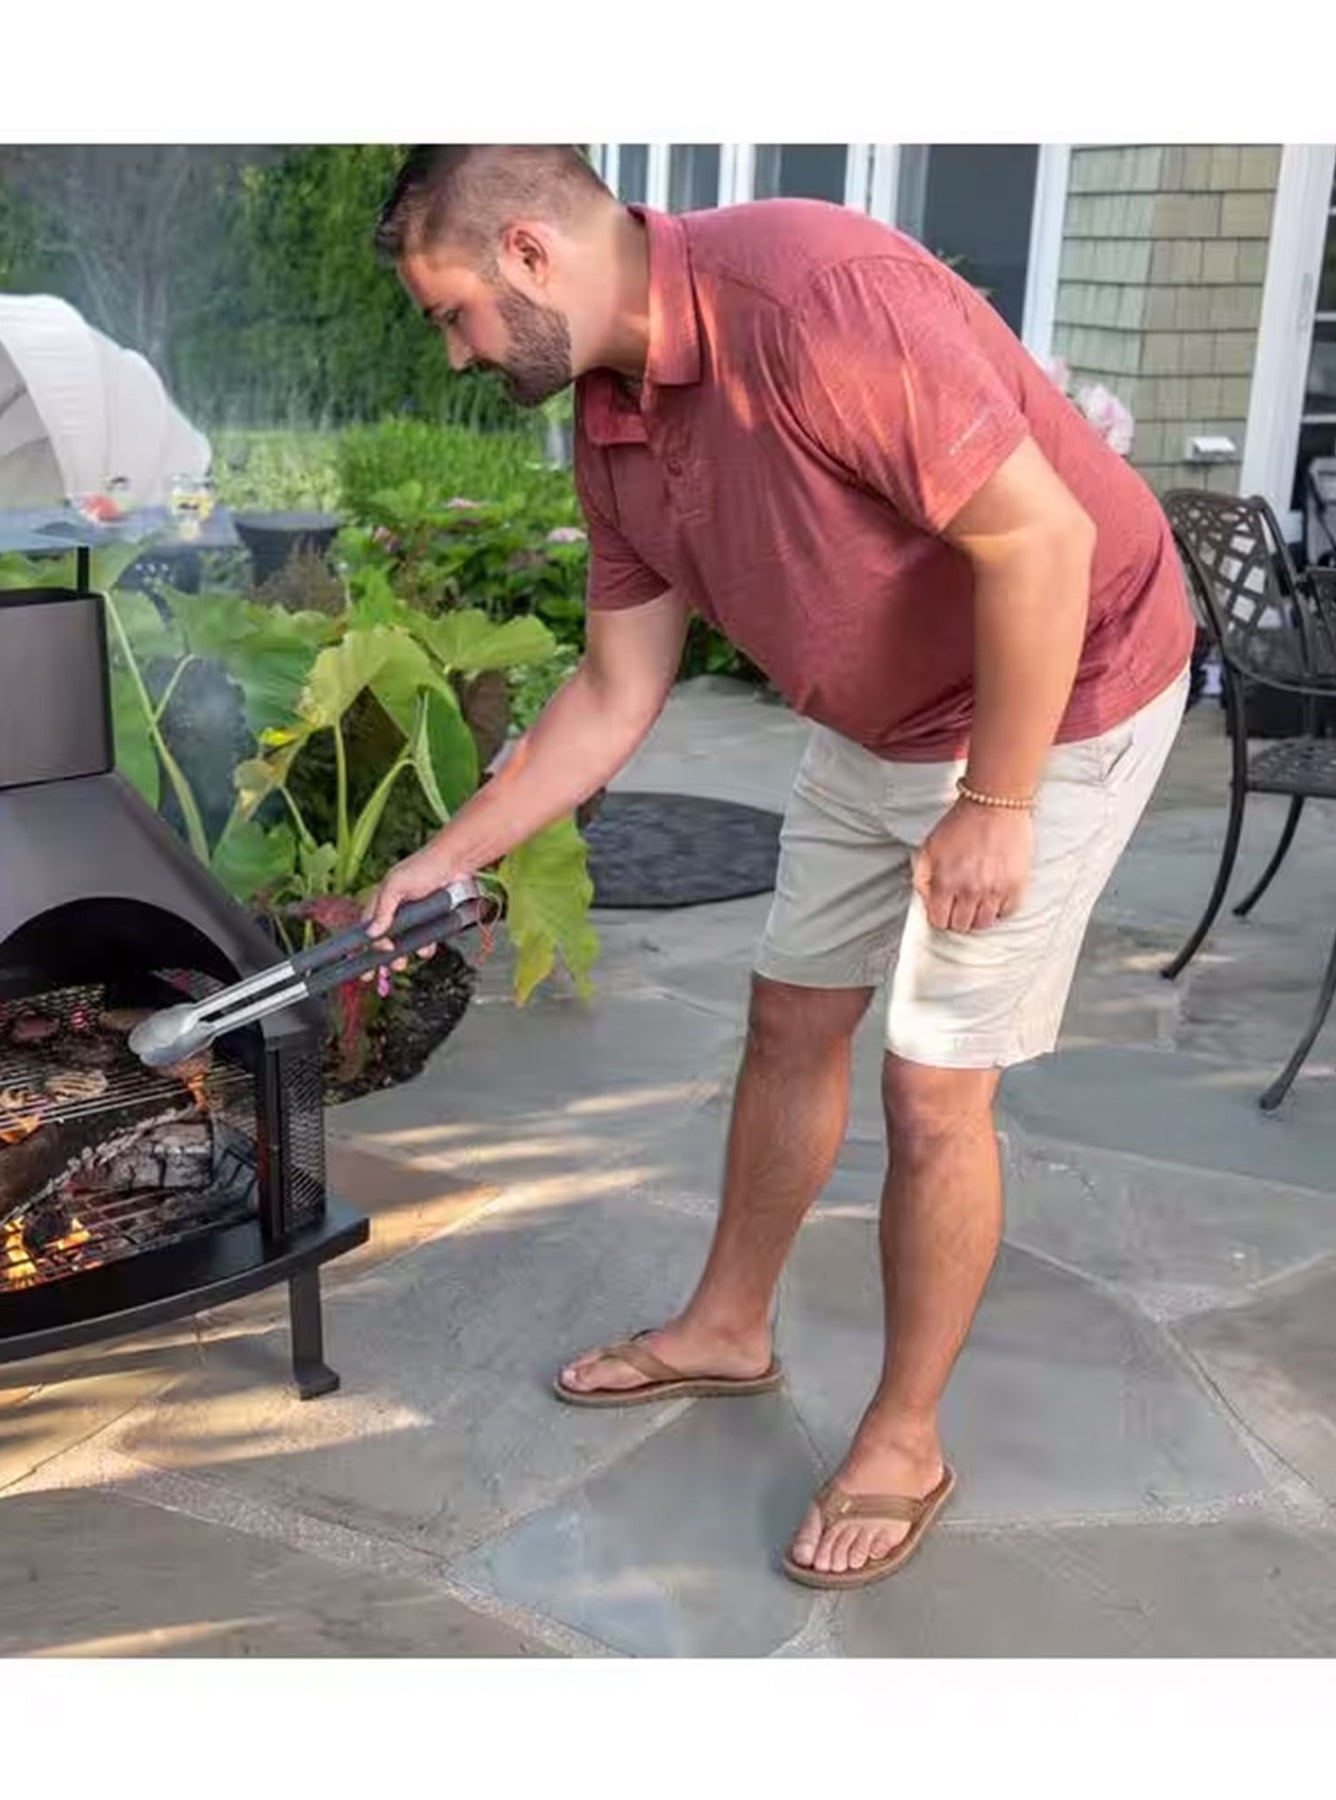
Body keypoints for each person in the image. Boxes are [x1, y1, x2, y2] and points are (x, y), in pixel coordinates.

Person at [364, 145, 1195, 1588]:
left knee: (933, 1084)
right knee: (792, 1015)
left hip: (1060, 694)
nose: (457, 353)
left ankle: (906, 1438)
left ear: (529, 253)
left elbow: (1042, 541)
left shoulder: (817, 300)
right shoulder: (611, 421)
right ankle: (725, 1326)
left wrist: (997, 801)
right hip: (880, 721)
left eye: (456, 314)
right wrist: (445, 853)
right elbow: (615, 691)